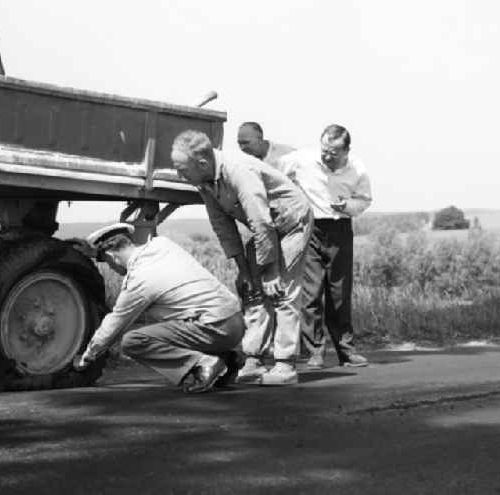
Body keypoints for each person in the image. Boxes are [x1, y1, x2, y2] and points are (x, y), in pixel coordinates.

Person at [171, 130, 312, 386]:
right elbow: (223, 228)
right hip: (266, 228)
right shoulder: (204, 181)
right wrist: (245, 272)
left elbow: (260, 220)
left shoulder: (238, 171)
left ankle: (286, 364)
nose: (180, 176)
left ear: (202, 163)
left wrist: (270, 271)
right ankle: (254, 359)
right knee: (251, 291)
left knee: (281, 290)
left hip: (290, 221)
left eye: (183, 170)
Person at [73, 223, 245, 394]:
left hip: (214, 328)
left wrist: (88, 357)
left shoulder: (140, 279)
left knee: (133, 341)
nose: (111, 268)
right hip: (235, 323)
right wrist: (96, 253)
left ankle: (203, 363)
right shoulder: (162, 245)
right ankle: (229, 358)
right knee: (170, 318)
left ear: (110, 254)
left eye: (108, 263)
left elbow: (115, 323)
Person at [281, 124, 372, 369]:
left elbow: (364, 200)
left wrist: (348, 206)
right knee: (310, 295)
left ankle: (346, 352)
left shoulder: (358, 169)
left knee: (339, 295)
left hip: (340, 229)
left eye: (333, 152)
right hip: (310, 229)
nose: (327, 155)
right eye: (324, 149)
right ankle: (313, 354)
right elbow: (275, 169)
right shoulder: (301, 160)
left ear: (346, 151)